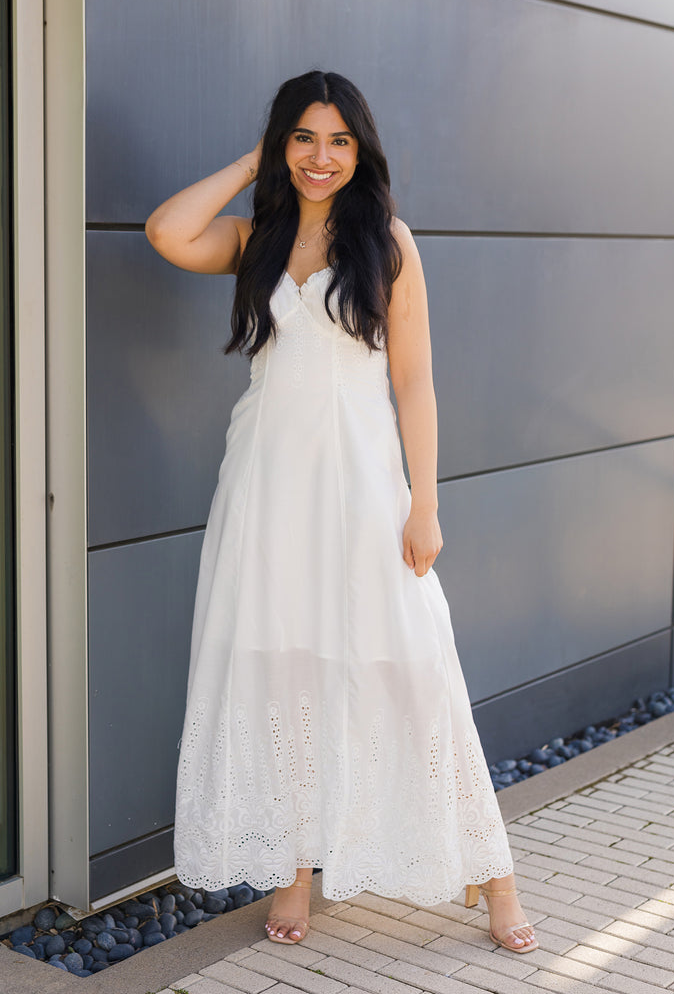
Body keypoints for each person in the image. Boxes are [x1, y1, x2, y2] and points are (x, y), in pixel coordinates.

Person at [145, 70, 537, 953]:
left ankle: (495, 876)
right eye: (303, 138)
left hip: (364, 488)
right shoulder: (256, 237)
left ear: (362, 150)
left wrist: (425, 503)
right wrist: (254, 160)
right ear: (283, 146)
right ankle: (293, 871)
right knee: (283, 664)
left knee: (412, 665)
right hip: (266, 485)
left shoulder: (388, 244)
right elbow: (167, 231)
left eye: (339, 141)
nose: (321, 158)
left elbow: (414, 382)